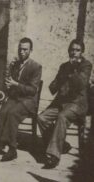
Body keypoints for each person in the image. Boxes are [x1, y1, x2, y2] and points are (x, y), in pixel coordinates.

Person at [0, 37, 42, 162]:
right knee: (1, 113)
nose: (22, 52)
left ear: (31, 50)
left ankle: (12, 149)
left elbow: (32, 90)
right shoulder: (15, 64)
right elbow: (11, 83)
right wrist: (8, 85)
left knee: (12, 113)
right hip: (15, 98)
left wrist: (15, 84)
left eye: (25, 49)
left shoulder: (36, 67)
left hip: (28, 100)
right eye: (20, 49)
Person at [38, 39, 92, 169]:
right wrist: (58, 80)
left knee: (62, 117)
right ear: (69, 51)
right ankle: (61, 145)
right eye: (72, 50)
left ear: (82, 52)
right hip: (61, 103)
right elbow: (53, 89)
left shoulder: (86, 65)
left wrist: (73, 70)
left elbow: (81, 84)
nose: (74, 53)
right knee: (42, 118)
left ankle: (54, 156)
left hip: (77, 104)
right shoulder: (64, 66)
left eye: (77, 50)